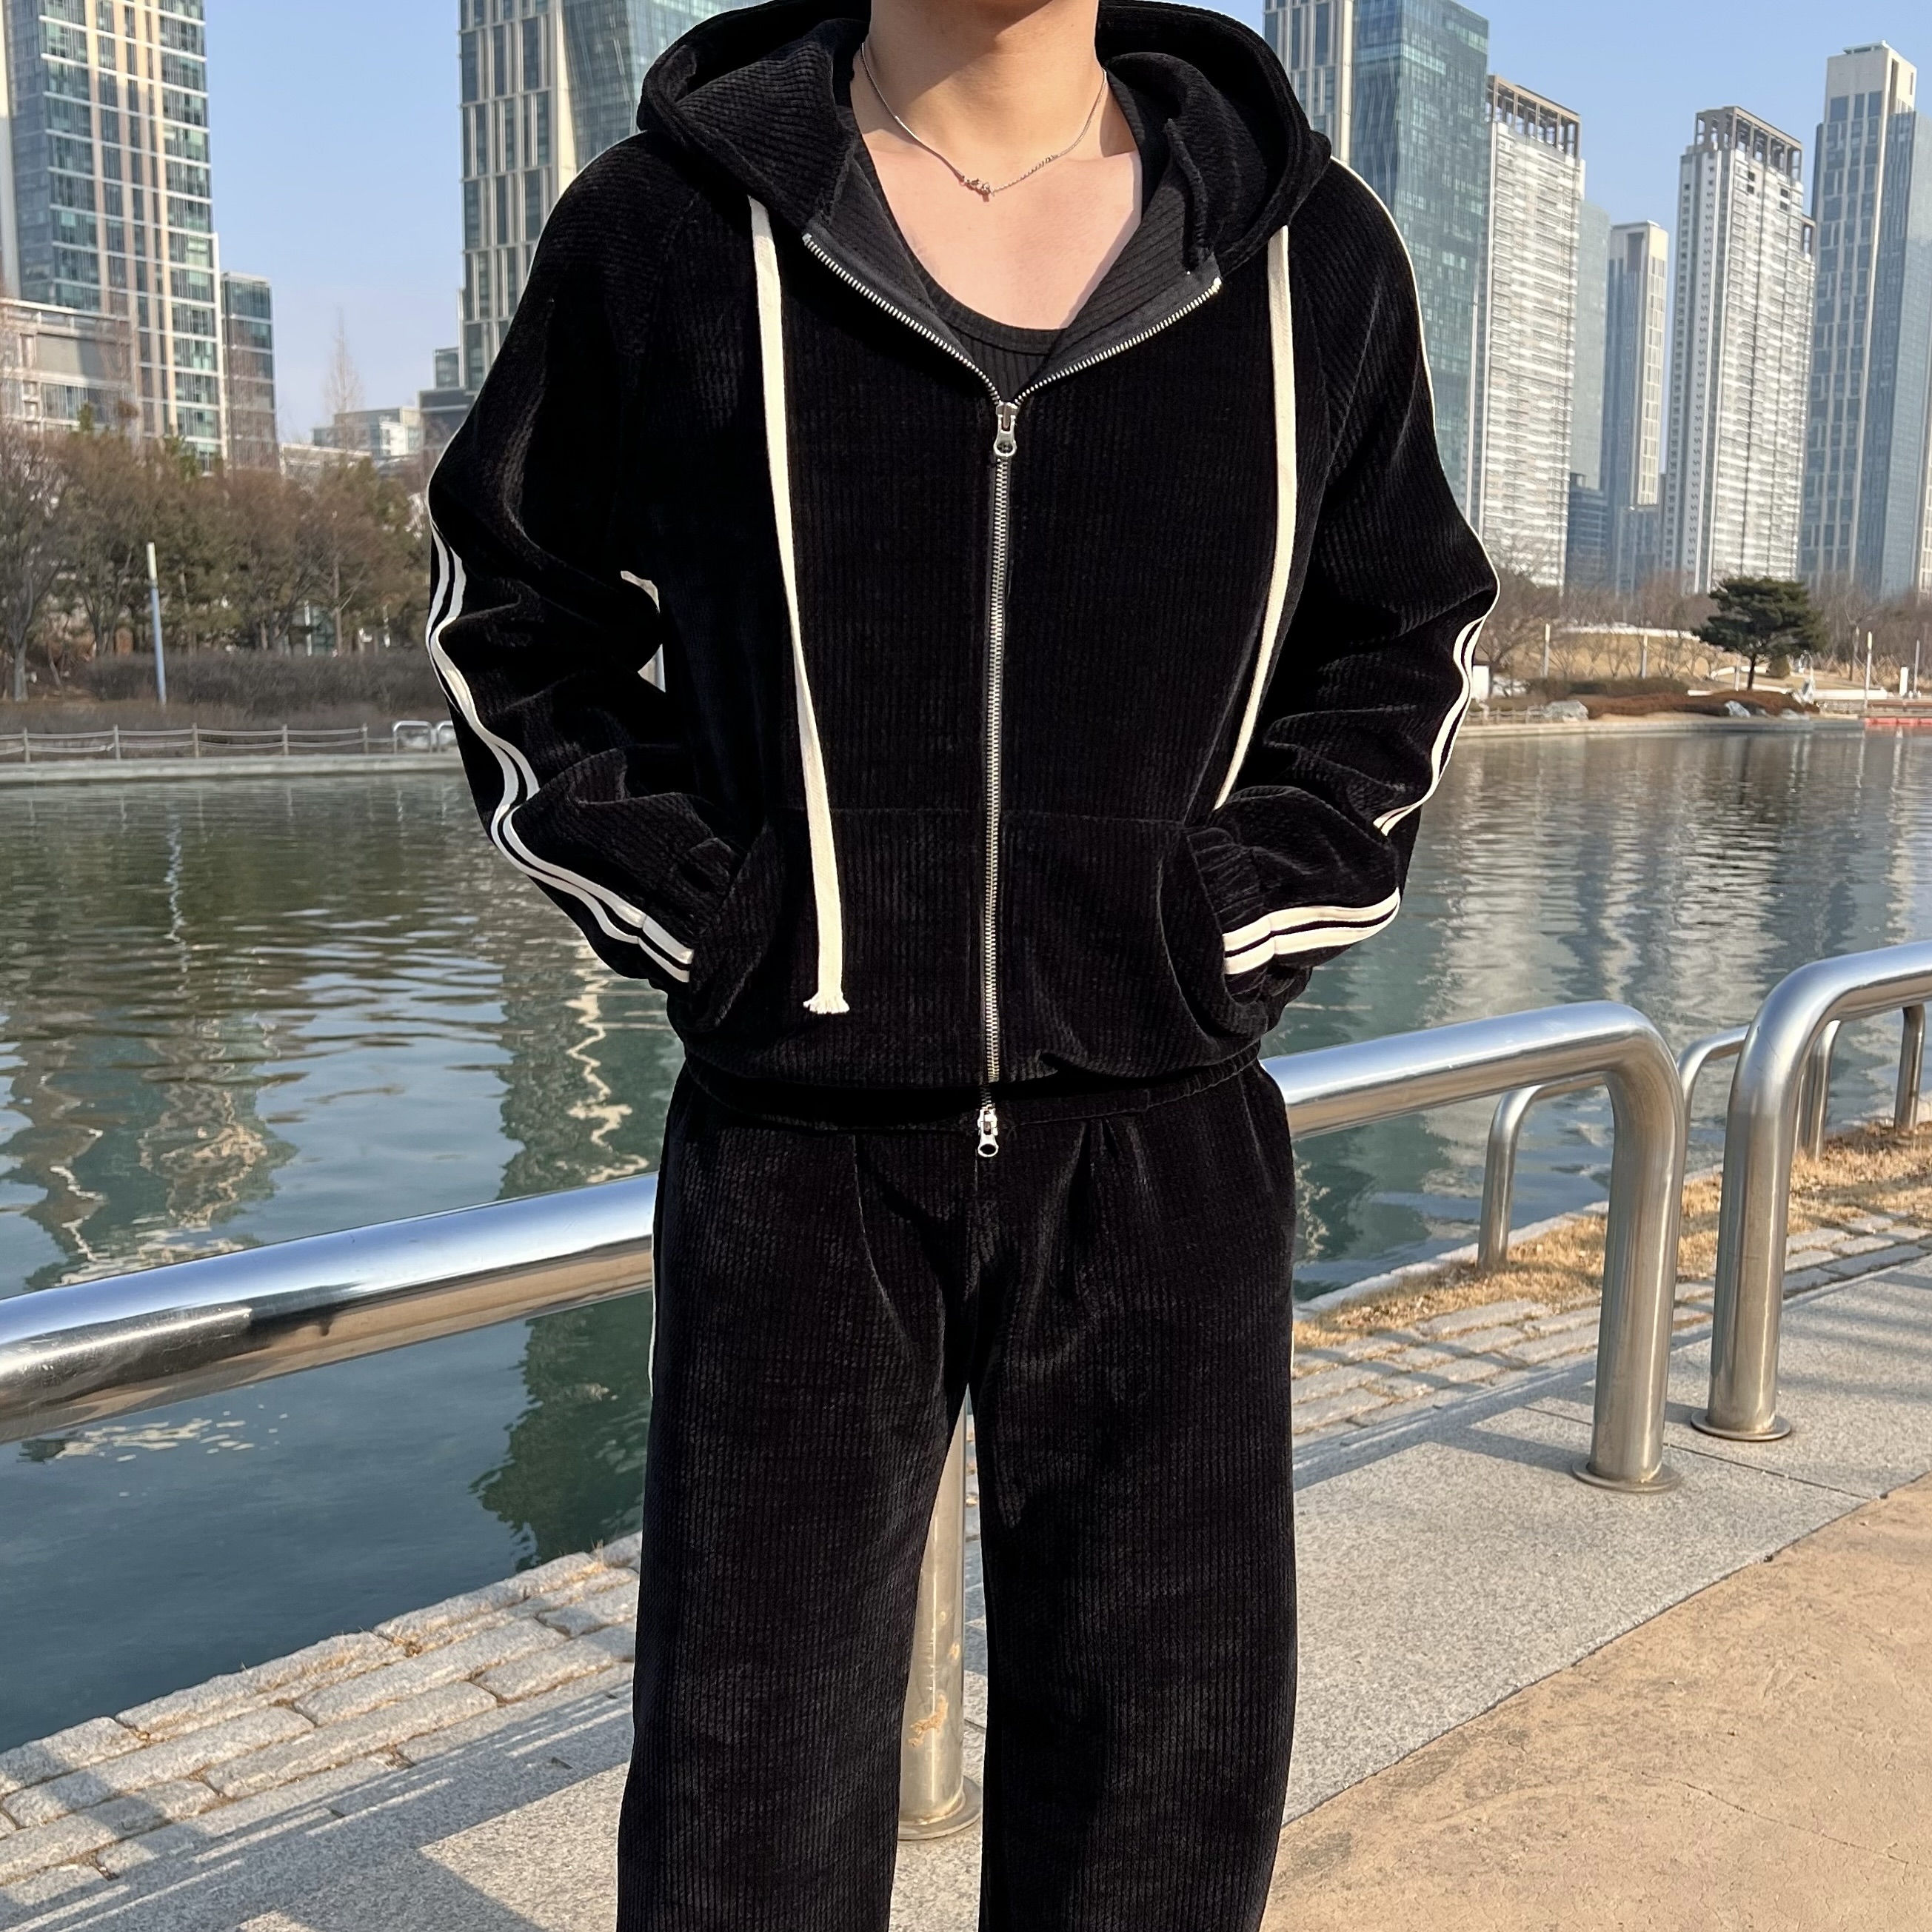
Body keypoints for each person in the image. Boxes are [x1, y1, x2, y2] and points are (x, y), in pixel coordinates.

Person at [426, 0, 1496, 1923]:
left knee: (1158, 1795)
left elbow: (1404, 636)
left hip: (1163, 1140)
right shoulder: (666, 227)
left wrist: (1219, 921)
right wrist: (723, 919)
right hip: (796, 1146)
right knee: (745, 1803)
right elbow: (513, 618)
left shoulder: (1304, 252)